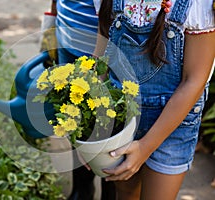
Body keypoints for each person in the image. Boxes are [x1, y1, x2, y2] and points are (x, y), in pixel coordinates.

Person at [91, 0, 215, 199]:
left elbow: (194, 80)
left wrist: (145, 147)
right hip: (122, 115)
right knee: (125, 191)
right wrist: (90, 133)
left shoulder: (198, 4)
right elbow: (102, 57)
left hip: (174, 121)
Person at [41, 0, 116, 199]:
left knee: (108, 124)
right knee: (75, 119)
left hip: (101, 48)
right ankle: (82, 188)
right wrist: (52, 23)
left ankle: (110, 191)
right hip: (67, 38)